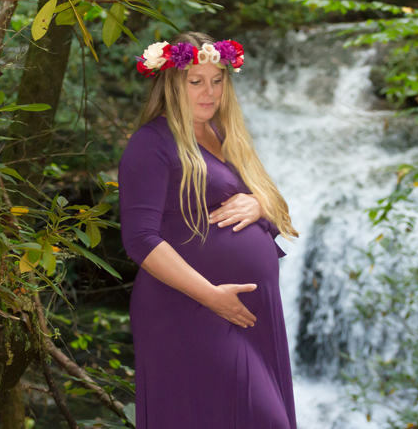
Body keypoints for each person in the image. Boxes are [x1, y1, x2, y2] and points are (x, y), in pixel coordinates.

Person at [118, 31, 299, 428]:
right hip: (188, 308)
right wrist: (211, 297)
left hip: (246, 312)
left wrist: (259, 204)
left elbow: (278, 211)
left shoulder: (223, 134)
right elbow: (139, 239)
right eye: (195, 81)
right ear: (170, 83)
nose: (209, 91)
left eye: (217, 80)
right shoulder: (151, 144)